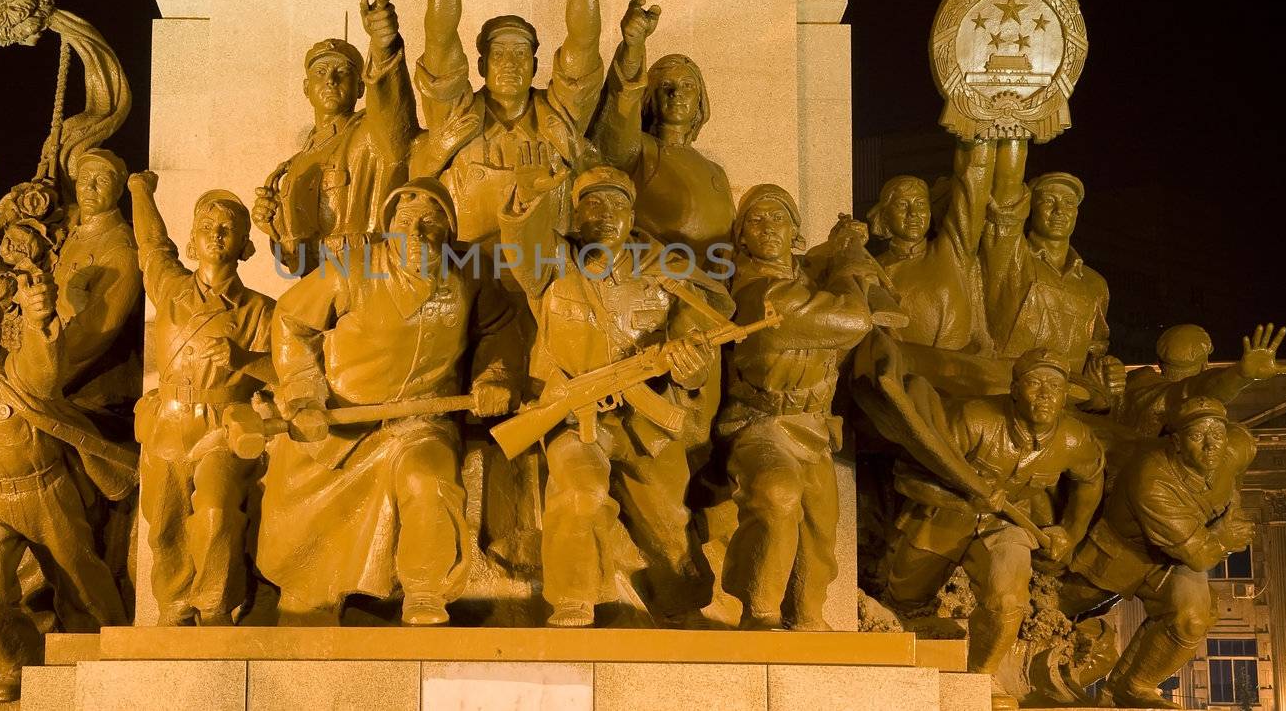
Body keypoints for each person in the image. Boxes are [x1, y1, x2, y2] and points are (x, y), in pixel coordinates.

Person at [260, 178, 523, 625]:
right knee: (305, 523)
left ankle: (424, 591)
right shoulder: (353, 268)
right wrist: (305, 392)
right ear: (387, 225)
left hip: (422, 421)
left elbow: (500, 329)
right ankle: (311, 594)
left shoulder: (469, 274)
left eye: (430, 223)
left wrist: (494, 376)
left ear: (448, 231)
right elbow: (290, 321)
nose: (416, 233)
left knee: (429, 480)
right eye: (405, 221)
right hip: (343, 421)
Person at [500, 164, 731, 627]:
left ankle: (679, 607)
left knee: (670, 531)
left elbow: (706, 321)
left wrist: (692, 368)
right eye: (593, 204)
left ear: (632, 216)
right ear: (576, 214)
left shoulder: (666, 269)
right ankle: (572, 599)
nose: (605, 215)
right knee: (581, 490)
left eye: (617, 205)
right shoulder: (551, 263)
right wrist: (525, 199)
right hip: (575, 418)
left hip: (646, 424)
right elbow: (521, 243)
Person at [0, 280, 134, 701]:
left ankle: (107, 655)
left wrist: (40, 320)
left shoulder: (18, 372)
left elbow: (44, 370)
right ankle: (13, 665)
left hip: (45, 490)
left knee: (80, 580)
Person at [881, 349, 1105, 709]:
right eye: (1034, 383)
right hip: (942, 518)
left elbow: (1090, 480)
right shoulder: (974, 418)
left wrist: (1070, 531)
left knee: (1008, 597)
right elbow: (907, 479)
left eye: (1055, 385)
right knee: (905, 598)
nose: (1045, 394)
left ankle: (983, 678)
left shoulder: (1073, 440)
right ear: (1015, 389)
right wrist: (966, 502)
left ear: (1066, 396)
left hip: (1009, 525)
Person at [719, 185, 873, 630]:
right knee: (777, 493)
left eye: (779, 219)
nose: (768, 228)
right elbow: (854, 320)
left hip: (814, 426)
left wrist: (847, 240)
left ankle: (808, 619)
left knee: (819, 534)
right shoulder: (761, 291)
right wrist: (848, 262)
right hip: (761, 423)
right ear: (741, 236)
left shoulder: (806, 278)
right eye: (757, 220)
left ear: (795, 234)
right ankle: (759, 608)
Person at [411, 0, 603, 245]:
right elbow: (439, 38)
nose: (511, 63)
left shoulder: (560, 119)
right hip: (469, 276)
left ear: (535, 64)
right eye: (498, 53)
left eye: (520, 54)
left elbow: (584, 42)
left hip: (546, 285)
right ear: (481, 65)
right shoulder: (457, 117)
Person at [129, 171, 274, 626]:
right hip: (170, 422)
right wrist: (139, 191)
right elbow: (152, 246)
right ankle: (173, 608)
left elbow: (290, 373)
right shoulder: (171, 289)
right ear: (191, 243)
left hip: (223, 428)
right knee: (164, 525)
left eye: (228, 228)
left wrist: (244, 359)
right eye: (207, 227)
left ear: (245, 245)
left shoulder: (261, 310)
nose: (217, 234)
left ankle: (214, 605)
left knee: (215, 511)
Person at [1060, 397, 1256, 709]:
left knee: (1193, 618)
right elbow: (1202, 557)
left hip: (1176, 555)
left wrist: (1234, 507)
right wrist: (1224, 536)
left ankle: (1133, 686)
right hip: (1119, 556)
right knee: (1054, 606)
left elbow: (1243, 456)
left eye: (1217, 435)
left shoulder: (1236, 448)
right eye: (1196, 437)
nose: (1211, 447)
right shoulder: (1152, 479)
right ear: (1176, 443)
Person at [253, 0, 418, 274]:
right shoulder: (292, 169)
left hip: (368, 281)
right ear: (307, 88)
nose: (330, 79)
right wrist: (273, 225)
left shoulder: (371, 133)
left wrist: (383, 47)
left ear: (360, 88)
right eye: (321, 72)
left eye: (343, 72)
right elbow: (294, 263)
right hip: (317, 292)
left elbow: (392, 110)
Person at [591, 0, 733, 277]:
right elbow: (619, 115)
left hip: (714, 285)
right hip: (655, 279)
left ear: (700, 99)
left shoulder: (716, 172)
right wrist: (633, 47)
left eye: (687, 86)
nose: (676, 93)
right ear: (650, 98)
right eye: (665, 85)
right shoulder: (638, 151)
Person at [981, 141, 1122, 406]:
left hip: (1067, 405)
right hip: (1002, 398)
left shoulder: (1095, 284)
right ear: (1030, 208)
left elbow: (1096, 353)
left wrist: (1107, 379)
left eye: (1068, 203)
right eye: (1048, 201)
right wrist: (1014, 130)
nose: (1060, 211)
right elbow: (1004, 199)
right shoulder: (1010, 257)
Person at [866, 141, 994, 352]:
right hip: (905, 376)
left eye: (920, 204)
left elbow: (972, 191)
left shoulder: (951, 251)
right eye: (902, 205)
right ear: (884, 215)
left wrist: (978, 137)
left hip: (956, 373)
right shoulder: (873, 270)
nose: (913, 213)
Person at [53, 150, 142, 393]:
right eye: (84, 180)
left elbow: (92, 335)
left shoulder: (121, 248)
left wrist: (38, 374)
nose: (89, 187)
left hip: (88, 389)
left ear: (118, 190)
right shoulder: (76, 231)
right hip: (56, 360)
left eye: (101, 180)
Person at [1118, 323, 1286, 437]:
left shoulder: (1133, 382)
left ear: (1158, 362)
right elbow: (1199, 390)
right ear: (1204, 366)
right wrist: (1239, 375)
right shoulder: (1176, 399)